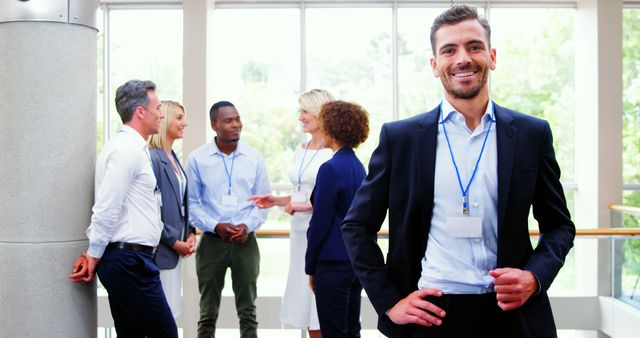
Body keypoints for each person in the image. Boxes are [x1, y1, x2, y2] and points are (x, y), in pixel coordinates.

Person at [341, 5, 575, 338]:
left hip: (512, 315)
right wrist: (389, 301)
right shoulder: (401, 139)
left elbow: (559, 226)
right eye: (449, 50)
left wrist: (534, 277)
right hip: (431, 315)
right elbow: (355, 226)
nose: (462, 58)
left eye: (474, 46)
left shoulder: (530, 134)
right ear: (435, 65)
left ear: (491, 56)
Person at [69, 80, 178, 337]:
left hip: (131, 259)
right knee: (166, 333)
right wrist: (93, 256)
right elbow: (107, 207)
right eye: (158, 108)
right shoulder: (126, 150)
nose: (162, 114)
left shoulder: (133, 149)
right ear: (140, 112)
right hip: (129, 261)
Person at [249, 89, 334, 338]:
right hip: (299, 236)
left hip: (321, 235)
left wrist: (309, 206)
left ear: (320, 113)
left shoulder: (333, 151)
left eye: (305, 111)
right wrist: (276, 200)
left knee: (321, 309)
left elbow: (335, 199)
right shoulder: (302, 148)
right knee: (306, 306)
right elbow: (302, 194)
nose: (300, 117)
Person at [186, 101, 271, 338]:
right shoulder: (197, 159)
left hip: (246, 241)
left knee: (248, 311)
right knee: (207, 312)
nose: (236, 125)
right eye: (228, 120)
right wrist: (216, 226)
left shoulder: (254, 157)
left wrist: (247, 225)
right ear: (214, 125)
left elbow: (262, 203)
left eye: (237, 119)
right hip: (212, 242)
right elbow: (191, 203)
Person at [305, 100, 369, 338]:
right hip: (353, 262)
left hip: (331, 263)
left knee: (333, 332)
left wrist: (311, 266)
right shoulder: (358, 166)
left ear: (331, 129)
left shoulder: (329, 168)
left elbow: (319, 223)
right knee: (352, 330)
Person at [148, 100, 196, 319]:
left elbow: (181, 204)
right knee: (161, 318)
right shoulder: (153, 158)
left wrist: (191, 232)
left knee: (170, 314)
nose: (184, 123)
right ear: (165, 119)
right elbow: (151, 211)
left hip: (176, 248)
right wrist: (173, 241)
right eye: (178, 118)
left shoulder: (173, 156)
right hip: (162, 251)